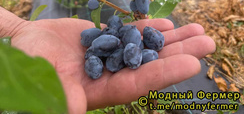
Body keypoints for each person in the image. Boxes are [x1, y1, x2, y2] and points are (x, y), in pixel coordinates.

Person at [0, 6, 216, 114]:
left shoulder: (124, 44)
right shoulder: (113, 45)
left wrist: (16, 29)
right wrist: (16, 31)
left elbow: (125, 49)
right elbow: (114, 49)